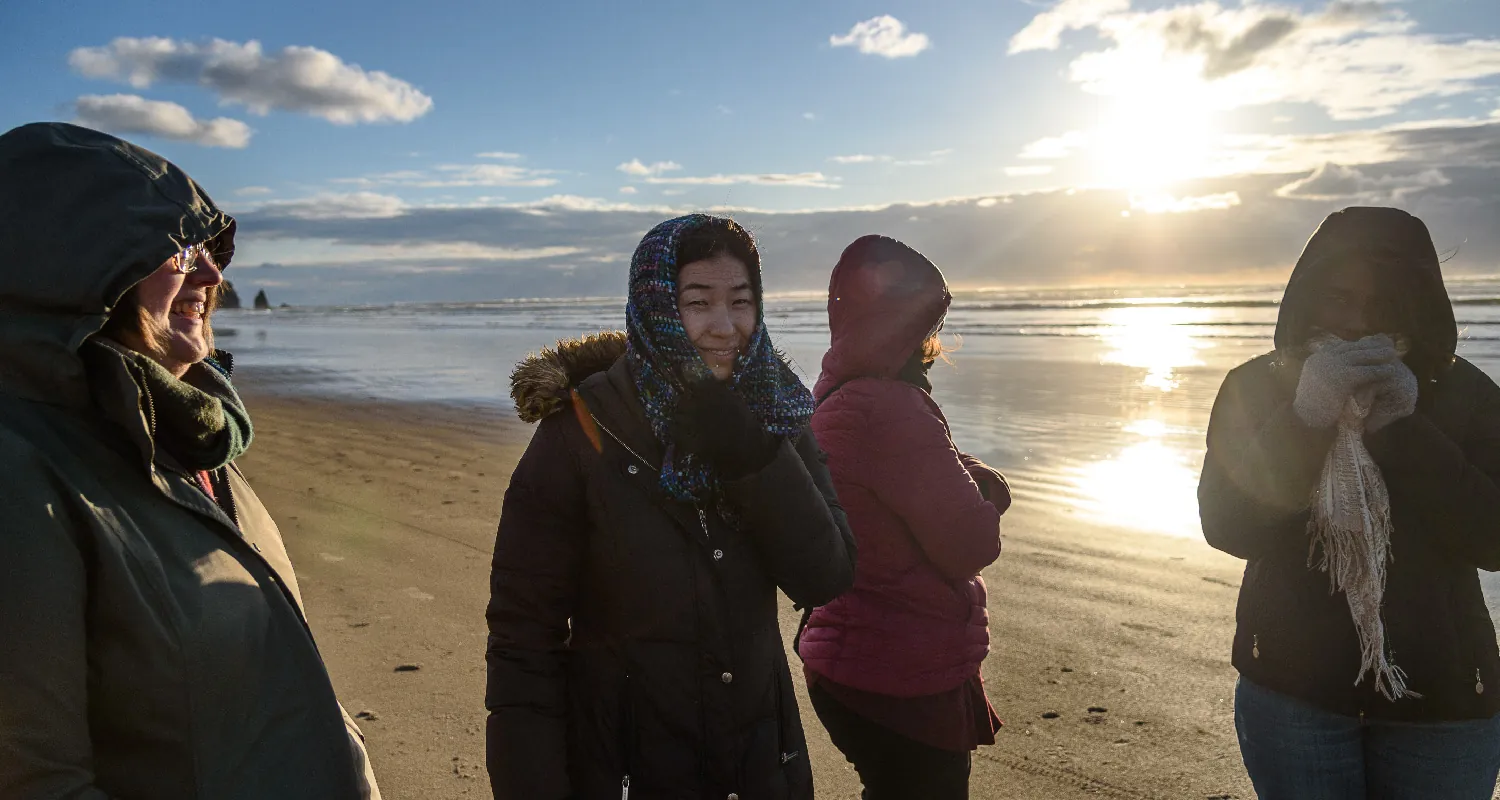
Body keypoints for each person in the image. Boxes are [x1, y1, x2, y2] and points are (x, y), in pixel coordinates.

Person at [0, 122, 380, 799]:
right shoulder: (24, 472)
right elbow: (38, 780)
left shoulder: (188, 432)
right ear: (69, 267)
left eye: (208, 248)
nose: (211, 274)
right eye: (176, 250)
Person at [486, 213, 857, 800]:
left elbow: (825, 575)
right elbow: (522, 637)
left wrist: (752, 458)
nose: (724, 327)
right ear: (656, 306)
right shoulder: (581, 430)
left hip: (761, 764)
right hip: (630, 770)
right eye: (697, 302)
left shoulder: (775, 414)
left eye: (741, 301)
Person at [1199, 206, 1500, 798]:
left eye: (1385, 303)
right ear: (1307, 296)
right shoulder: (1256, 386)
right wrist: (1306, 417)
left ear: (1418, 303)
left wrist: (1405, 431)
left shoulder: (1466, 392)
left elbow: (1494, 540)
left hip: (1444, 700)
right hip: (1292, 693)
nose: (1359, 323)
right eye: (1339, 297)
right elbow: (1229, 525)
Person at [799, 235, 1009, 799]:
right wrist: (990, 490)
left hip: (843, 660)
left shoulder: (834, 392)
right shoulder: (892, 408)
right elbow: (969, 544)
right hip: (900, 675)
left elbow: (876, 487)